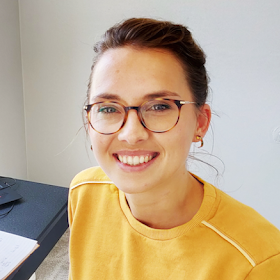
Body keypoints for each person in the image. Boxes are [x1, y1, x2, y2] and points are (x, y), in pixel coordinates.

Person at [68, 18, 280, 279]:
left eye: (159, 106)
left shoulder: (258, 261)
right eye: (109, 108)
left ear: (200, 123)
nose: (131, 134)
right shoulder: (84, 192)